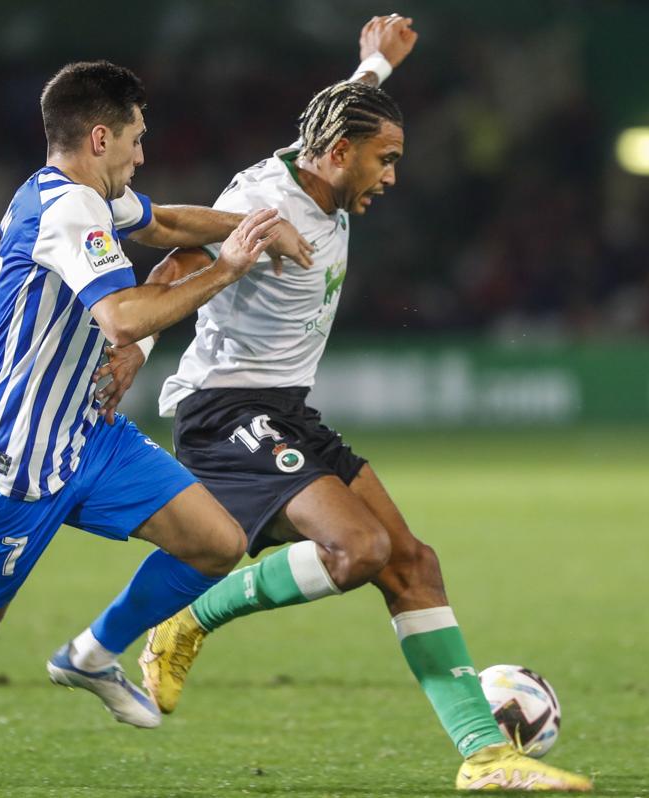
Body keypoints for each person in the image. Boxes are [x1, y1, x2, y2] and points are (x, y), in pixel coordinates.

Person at [0, 60, 313, 786]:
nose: (143, 155)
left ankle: (90, 655)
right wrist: (231, 266)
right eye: (138, 140)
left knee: (217, 543)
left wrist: (266, 226)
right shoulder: (67, 211)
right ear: (102, 137)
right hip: (12, 461)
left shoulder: (85, 197)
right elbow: (122, 315)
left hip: (88, 436)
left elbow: (170, 222)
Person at [128, 16, 593, 792]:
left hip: (284, 409)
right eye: (388, 160)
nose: (393, 176)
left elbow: (347, 107)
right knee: (360, 550)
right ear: (341, 155)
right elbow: (176, 256)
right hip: (226, 412)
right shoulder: (265, 201)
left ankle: (484, 758)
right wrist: (129, 351)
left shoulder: (324, 157)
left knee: (413, 563)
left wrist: (374, 62)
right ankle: (185, 620)